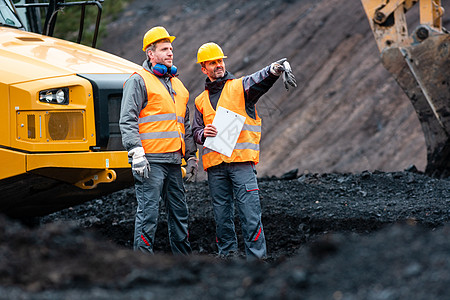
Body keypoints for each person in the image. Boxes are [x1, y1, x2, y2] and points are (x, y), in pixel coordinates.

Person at [192, 42, 296, 260]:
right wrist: (203, 134)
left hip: (242, 165)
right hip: (216, 169)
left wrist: (273, 70)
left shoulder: (240, 87)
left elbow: (258, 80)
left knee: (250, 215)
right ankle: (228, 259)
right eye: (213, 63)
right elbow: (195, 131)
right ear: (204, 68)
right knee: (222, 217)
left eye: (220, 61)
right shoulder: (200, 101)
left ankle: (256, 261)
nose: (218, 65)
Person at [119, 26, 198, 255]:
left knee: (179, 214)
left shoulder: (178, 87)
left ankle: (184, 263)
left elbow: (185, 125)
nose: (170, 52)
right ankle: (142, 263)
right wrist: (136, 152)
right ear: (150, 54)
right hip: (150, 161)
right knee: (148, 215)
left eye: (171, 48)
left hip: (174, 162)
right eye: (164, 49)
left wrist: (191, 156)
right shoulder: (139, 80)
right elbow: (127, 119)